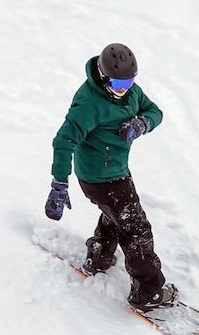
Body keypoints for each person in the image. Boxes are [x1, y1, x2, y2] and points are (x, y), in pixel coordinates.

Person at [44, 43, 177, 312]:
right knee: (137, 231)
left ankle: (99, 257)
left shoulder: (130, 93)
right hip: (100, 178)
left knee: (116, 215)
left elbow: (155, 111)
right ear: (104, 78)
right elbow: (63, 141)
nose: (124, 88)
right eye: (118, 82)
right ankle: (148, 293)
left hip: (115, 171)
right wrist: (59, 183)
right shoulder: (89, 104)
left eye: (129, 81)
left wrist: (143, 123)